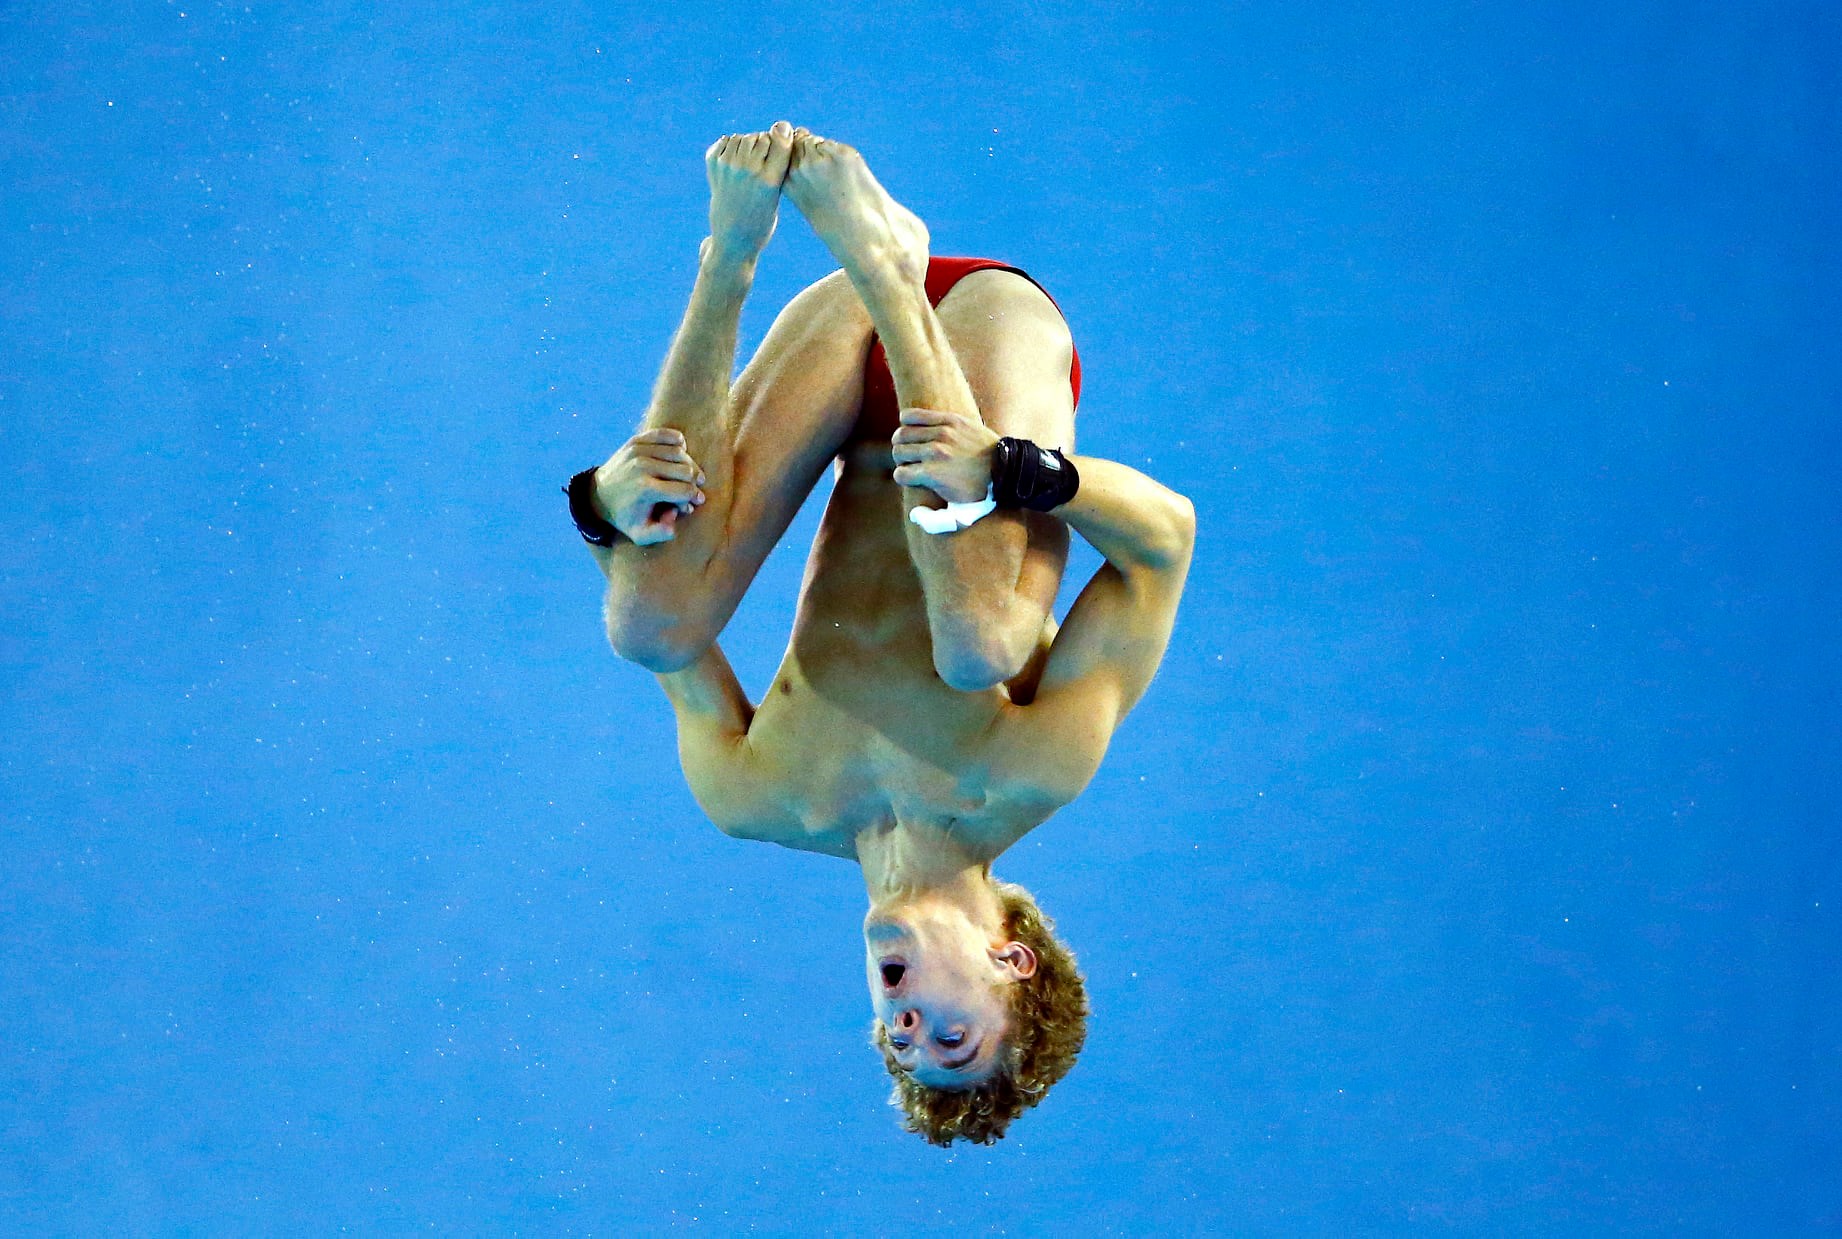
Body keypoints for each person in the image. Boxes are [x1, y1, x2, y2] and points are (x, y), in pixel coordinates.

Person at [565, 121, 1194, 1144]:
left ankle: (726, 255)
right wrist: (1027, 474)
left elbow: (651, 585)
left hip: (836, 342)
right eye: (949, 1038)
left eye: (896, 1040)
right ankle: (897, 268)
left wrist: (599, 505)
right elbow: (1166, 545)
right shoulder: (1032, 768)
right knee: (982, 644)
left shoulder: (757, 799)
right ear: (1012, 960)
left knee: (647, 626)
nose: (904, 1021)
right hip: (984, 351)